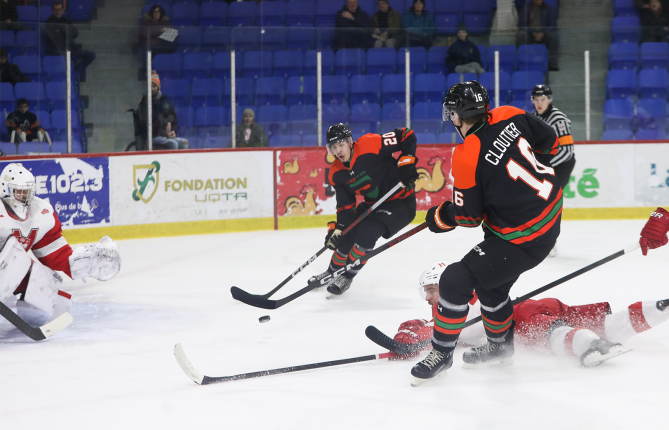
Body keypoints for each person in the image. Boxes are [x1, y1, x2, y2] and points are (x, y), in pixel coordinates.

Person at [410, 80, 562, 385]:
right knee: (492, 287)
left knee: (455, 279)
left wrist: (441, 216)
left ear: (457, 116)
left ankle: (441, 353)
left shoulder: (467, 155)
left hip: (522, 237)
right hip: (549, 214)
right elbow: (550, 140)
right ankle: (500, 346)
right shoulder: (509, 113)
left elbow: (468, 217)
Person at [392, 257, 669, 367]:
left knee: (554, 335)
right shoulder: (475, 294)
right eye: (425, 291)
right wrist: (406, 334)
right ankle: (660, 309)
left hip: (522, 319)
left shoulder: (460, 308)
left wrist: (408, 343)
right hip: (538, 306)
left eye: (431, 290)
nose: (428, 297)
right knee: (609, 324)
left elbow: (439, 330)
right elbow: (421, 324)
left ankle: (593, 345)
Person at [0, 163, 121, 328]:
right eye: (19, 191)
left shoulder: (40, 213)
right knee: (15, 255)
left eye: (27, 191)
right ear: (5, 190)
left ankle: (33, 319)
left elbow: (53, 250)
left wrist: (86, 262)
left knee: (55, 299)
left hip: (8, 271)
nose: (25, 196)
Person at [309, 123, 418, 296]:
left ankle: (347, 276)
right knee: (346, 235)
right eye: (333, 147)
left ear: (350, 142)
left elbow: (406, 135)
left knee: (368, 232)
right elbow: (345, 206)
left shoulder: (370, 144)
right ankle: (331, 272)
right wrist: (338, 229)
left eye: (341, 145)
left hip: (401, 202)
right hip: (373, 204)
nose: (338, 151)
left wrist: (407, 162)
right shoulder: (336, 173)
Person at [44, 1, 96, 82]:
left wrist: (61, 31)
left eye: (60, 9)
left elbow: (75, 33)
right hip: (57, 51)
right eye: (56, 9)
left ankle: (75, 73)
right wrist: (66, 31)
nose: (58, 11)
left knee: (91, 55)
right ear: (53, 10)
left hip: (70, 50)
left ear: (63, 10)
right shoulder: (49, 22)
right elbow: (53, 37)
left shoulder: (66, 20)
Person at [136, 71, 188, 151]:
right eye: (150, 86)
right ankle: (171, 163)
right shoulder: (144, 104)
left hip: (165, 136)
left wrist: (173, 130)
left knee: (184, 142)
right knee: (173, 144)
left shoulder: (166, 103)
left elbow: (173, 120)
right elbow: (145, 124)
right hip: (152, 137)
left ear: (158, 87)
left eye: (154, 86)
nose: (152, 89)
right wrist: (161, 125)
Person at [517, 0, 559, 71]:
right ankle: (520, 62)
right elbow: (521, 25)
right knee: (520, 34)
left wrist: (543, 33)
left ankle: (552, 64)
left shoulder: (548, 8)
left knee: (554, 35)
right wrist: (532, 32)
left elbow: (553, 25)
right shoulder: (526, 8)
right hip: (530, 34)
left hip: (544, 33)